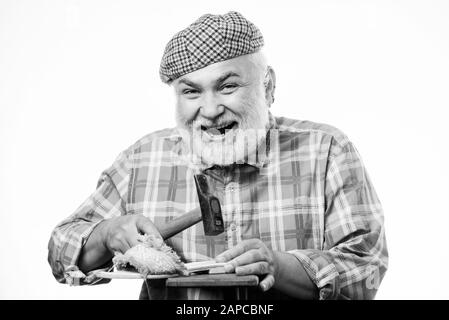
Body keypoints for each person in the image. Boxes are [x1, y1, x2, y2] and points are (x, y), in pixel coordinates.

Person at [48, 11, 388, 300]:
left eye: (227, 87)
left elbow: (367, 269)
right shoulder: (142, 159)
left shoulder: (326, 150)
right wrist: (106, 235)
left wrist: (280, 266)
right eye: (191, 91)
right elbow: (61, 251)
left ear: (268, 86)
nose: (209, 110)